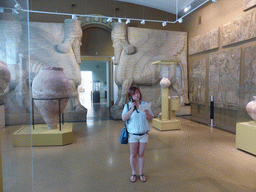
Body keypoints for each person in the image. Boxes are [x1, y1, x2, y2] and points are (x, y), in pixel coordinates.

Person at [122, 86, 153, 183]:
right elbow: (124, 118)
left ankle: (141, 173)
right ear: (130, 96)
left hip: (144, 134)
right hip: (132, 135)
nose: (137, 95)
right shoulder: (127, 106)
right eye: (134, 93)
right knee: (133, 155)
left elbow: (151, 118)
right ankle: (133, 173)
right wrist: (132, 109)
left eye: (138, 93)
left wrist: (147, 114)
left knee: (141, 154)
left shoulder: (145, 105)